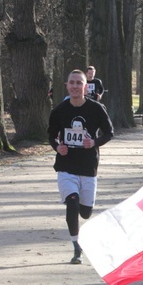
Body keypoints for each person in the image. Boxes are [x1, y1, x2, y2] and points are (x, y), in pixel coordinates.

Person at [48, 69, 114, 264]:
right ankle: (76, 246)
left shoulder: (96, 109)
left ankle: (81, 223)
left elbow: (109, 133)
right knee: (72, 202)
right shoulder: (59, 110)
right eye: (72, 83)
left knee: (85, 212)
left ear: (86, 87)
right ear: (67, 86)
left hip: (88, 166)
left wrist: (94, 143)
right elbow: (51, 135)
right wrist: (57, 147)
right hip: (66, 166)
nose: (75, 86)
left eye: (79, 83)